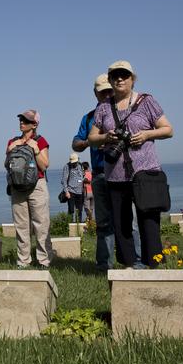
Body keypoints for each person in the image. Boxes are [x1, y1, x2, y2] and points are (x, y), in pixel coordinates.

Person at [88, 60, 173, 268]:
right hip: (116, 176)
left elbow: (168, 129)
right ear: (109, 80)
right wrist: (106, 137)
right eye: (115, 75)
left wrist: (146, 134)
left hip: (145, 172)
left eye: (124, 75)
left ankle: (152, 263)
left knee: (149, 221)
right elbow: (92, 138)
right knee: (121, 224)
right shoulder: (103, 108)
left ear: (132, 80)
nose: (119, 79)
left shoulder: (147, 101)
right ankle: (130, 264)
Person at [72, 73, 116, 271]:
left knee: (129, 221)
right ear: (95, 94)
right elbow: (76, 143)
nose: (106, 95)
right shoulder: (89, 117)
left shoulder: (124, 112)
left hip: (123, 171)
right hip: (99, 172)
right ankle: (103, 265)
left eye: (109, 91)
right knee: (103, 222)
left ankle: (135, 262)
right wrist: (93, 140)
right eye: (102, 92)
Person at [6, 109, 52, 269]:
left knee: (41, 224)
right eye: (21, 120)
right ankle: (23, 261)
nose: (21, 123)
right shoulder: (12, 140)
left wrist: (36, 149)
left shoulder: (40, 140)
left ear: (34, 124)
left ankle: (43, 260)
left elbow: (44, 165)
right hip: (17, 186)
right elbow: (7, 165)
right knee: (21, 226)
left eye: (25, 121)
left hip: (37, 185)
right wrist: (10, 149)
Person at [61, 153, 85, 223]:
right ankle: (70, 225)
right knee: (71, 210)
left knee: (80, 210)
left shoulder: (80, 165)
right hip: (71, 191)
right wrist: (66, 191)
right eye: (73, 162)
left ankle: (79, 225)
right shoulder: (67, 166)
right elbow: (64, 180)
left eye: (75, 162)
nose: (74, 163)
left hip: (80, 191)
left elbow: (82, 176)